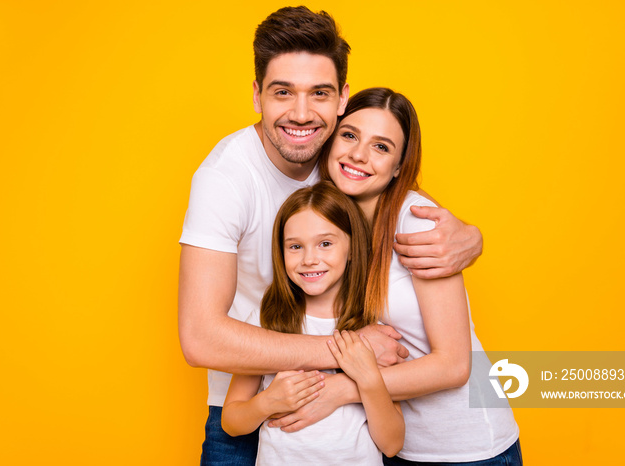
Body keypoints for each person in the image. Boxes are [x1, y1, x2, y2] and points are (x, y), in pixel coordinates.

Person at [178, 7, 483, 465]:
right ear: (258, 95)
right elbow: (200, 338)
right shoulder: (226, 178)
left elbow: (393, 184)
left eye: (319, 93)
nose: (302, 114)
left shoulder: (336, 160)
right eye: (283, 92)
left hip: (359, 423)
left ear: (341, 98)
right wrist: (347, 354)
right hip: (258, 405)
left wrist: (470, 236)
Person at [310, 87, 521, 465]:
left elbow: (454, 366)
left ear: (398, 166)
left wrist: (344, 387)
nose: (358, 154)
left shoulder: (416, 221)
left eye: (381, 147)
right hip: (393, 444)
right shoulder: (328, 220)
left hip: (468, 450)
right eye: (350, 135)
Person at [221, 181, 404, 465]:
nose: (309, 259)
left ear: (353, 248)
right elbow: (231, 421)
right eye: (295, 246)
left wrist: (368, 378)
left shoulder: (372, 329)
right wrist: (268, 402)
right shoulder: (266, 320)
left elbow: (392, 444)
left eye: (325, 243)